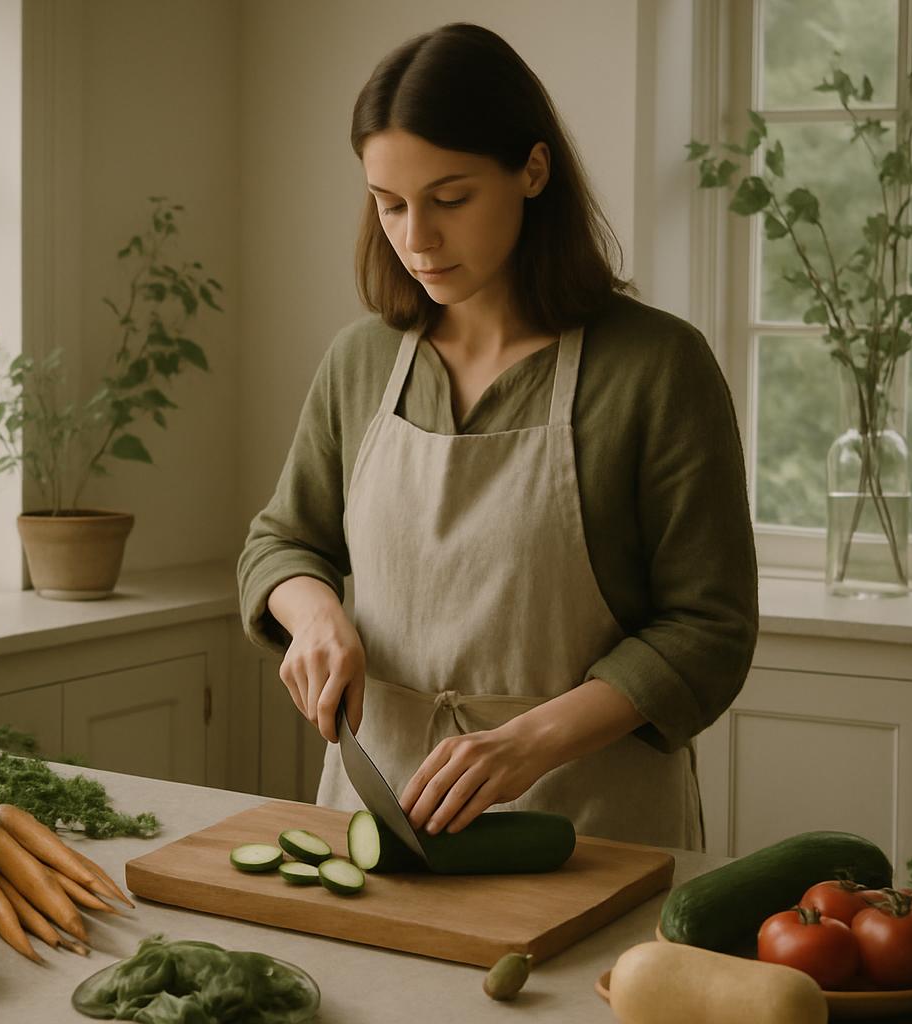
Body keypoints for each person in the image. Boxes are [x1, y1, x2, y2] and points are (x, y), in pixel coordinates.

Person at [236, 22, 757, 851]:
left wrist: (530, 743)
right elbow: (281, 542)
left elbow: (709, 629)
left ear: (533, 171)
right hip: (379, 812)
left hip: (591, 824)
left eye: (450, 199)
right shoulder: (361, 361)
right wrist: (316, 618)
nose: (416, 238)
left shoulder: (657, 367)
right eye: (389, 203)